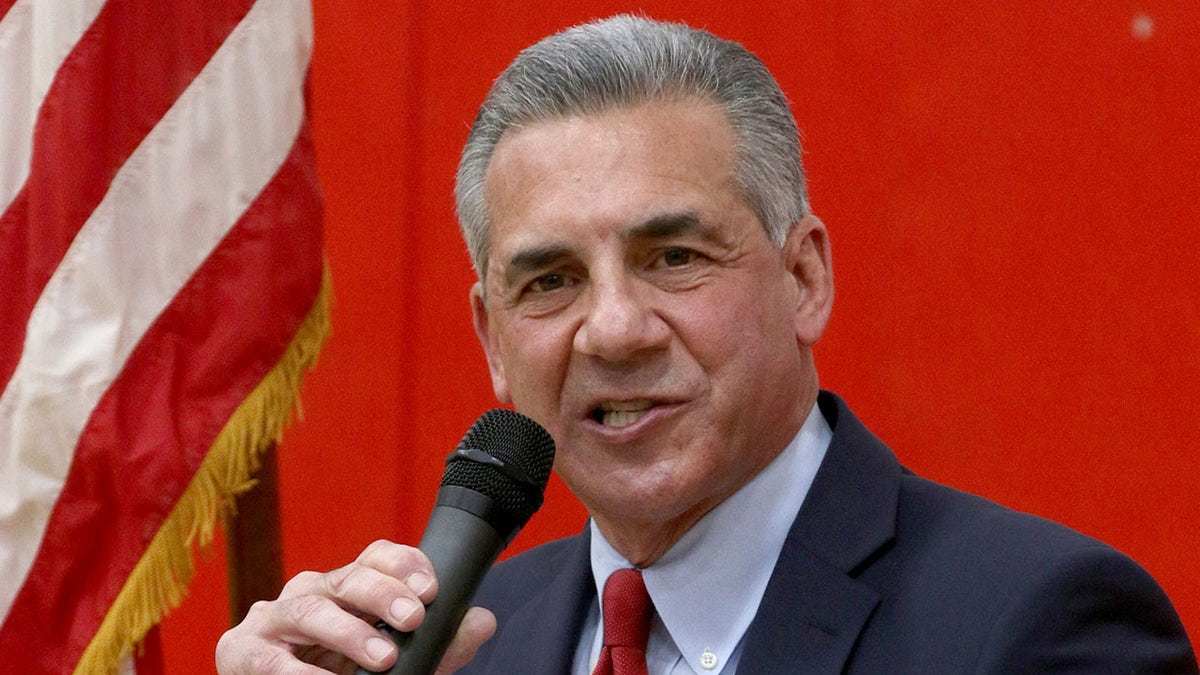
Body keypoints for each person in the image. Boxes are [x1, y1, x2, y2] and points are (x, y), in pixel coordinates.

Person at [216, 15, 1197, 674]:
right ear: (494, 341)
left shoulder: (1033, 627)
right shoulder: (465, 648)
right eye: (550, 281)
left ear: (803, 277)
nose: (613, 328)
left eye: (674, 256)